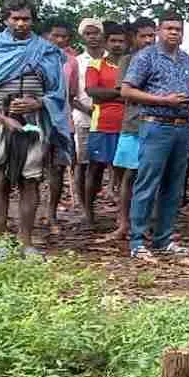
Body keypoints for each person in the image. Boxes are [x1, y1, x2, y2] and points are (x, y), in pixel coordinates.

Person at [0, 0, 72, 252]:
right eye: (15, 19)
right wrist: (3, 118)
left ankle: (26, 241)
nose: (20, 24)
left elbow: (59, 92)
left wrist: (38, 103)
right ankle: (0, 243)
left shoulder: (46, 50)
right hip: (0, 121)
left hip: (35, 121)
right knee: (0, 180)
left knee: (31, 180)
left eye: (26, 19)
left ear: (33, 19)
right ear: (6, 19)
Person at [121, 12, 189, 257]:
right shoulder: (146, 57)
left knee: (174, 186)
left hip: (182, 126)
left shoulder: (186, 59)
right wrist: (162, 100)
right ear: (159, 30)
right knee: (147, 182)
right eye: (169, 28)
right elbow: (126, 90)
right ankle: (137, 242)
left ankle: (163, 239)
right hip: (156, 124)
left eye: (178, 29)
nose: (174, 33)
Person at [108, 18, 156, 241]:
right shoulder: (128, 60)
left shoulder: (162, 60)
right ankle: (123, 222)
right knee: (129, 176)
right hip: (133, 124)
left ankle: (145, 223)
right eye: (143, 36)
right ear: (134, 38)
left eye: (151, 35)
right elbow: (124, 91)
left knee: (152, 177)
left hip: (157, 125)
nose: (148, 40)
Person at [81, 22, 127, 229]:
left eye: (121, 41)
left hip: (128, 125)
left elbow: (102, 93)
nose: (117, 45)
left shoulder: (132, 65)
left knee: (124, 172)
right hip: (101, 125)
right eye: (113, 41)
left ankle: (123, 217)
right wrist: (123, 93)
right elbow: (92, 91)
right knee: (95, 170)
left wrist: (108, 94)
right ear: (106, 42)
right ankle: (88, 213)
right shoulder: (96, 65)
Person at [67, 19, 104, 226]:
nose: (93, 37)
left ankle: (93, 204)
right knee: (83, 163)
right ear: (83, 36)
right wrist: (87, 109)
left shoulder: (111, 59)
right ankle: (85, 208)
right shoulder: (77, 61)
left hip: (107, 118)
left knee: (99, 165)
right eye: (88, 33)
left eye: (96, 32)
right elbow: (71, 94)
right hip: (83, 117)